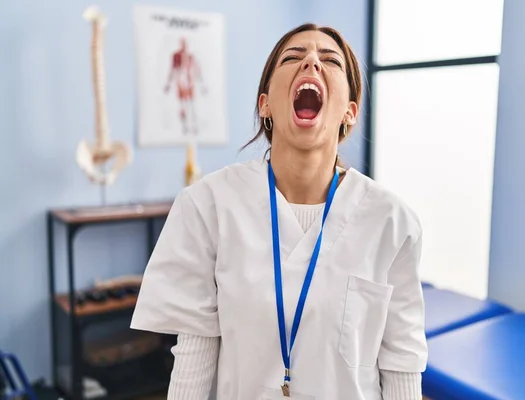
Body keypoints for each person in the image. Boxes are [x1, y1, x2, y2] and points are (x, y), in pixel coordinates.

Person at [131, 23, 427, 399]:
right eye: (293, 56)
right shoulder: (208, 206)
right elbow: (193, 359)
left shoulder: (392, 222)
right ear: (265, 104)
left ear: (350, 112)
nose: (312, 64)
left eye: (330, 60)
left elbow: (401, 367)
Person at [164, 37, 204, 134]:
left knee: (191, 105)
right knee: (183, 106)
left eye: (185, 43)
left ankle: (194, 126)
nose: (184, 45)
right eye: (182, 43)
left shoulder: (190, 56)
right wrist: (168, 84)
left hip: (189, 83)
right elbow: (172, 70)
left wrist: (202, 83)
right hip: (181, 83)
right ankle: (185, 126)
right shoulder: (176, 56)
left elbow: (197, 69)